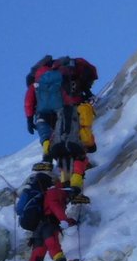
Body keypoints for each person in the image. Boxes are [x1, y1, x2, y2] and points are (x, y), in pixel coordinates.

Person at [26, 56, 100, 199]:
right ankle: (75, 188)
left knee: (49, 138)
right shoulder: (65, 72)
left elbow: (28, 101)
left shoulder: (37, 83)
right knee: (79, 157)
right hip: (70, 128)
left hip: (49, 123)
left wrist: (29, 119)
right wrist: (91, 146)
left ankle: (51, 164)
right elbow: (85, 130)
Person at [15, 165, 74, 261]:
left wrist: (70, 221)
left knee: (37, 254)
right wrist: (64, 220)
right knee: (53, 243)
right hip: (48, 224)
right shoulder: (55, 192)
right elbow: (54, 206)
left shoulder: (41, 195)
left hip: (37, 228)